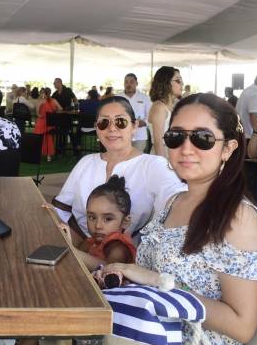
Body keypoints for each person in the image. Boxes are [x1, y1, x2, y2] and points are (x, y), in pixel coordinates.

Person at [1, 93, 257, 345]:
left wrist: (159, 282)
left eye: (202, 138)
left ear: (228, 147)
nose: (186, 148)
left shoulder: (237, 219)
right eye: (176, 136)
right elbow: (136, 272)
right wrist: (94, 261)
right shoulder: (174, 203)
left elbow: (242, 326)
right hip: (146, 342)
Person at [0, 176, 137, 345]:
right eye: (92, 217)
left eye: (108, 218)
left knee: (42, 323)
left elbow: (107, 268)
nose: (98, 225)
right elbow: (78, 246)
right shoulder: (96, 239)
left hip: (101, 314)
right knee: (37, 305)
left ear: (126, 221)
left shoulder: (117, 244)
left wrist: (70, 249)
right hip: (83, 298)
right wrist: (55, 220)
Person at [53, 96, 185, 244]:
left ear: (134, 126)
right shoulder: (86, 163)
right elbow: (61, 210)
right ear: (96, 128)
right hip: (79, 249)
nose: (112, 128)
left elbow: (179, 203)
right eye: (104, 122)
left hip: (129, 260)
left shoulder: (154, 165)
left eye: (120, 122)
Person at [148, 66, 183, 157]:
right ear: (166, 83)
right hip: (163, 154)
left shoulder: (173, 106)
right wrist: (163, 167)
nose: (182, 84)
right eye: (178, 80)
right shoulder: (159, 107)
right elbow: (158, 142)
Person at [119, 73, 151, 152]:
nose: (128, 84)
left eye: (131, 82)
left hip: (139, 136)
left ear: (136, 83)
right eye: (126, 82)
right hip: (121, 135)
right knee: (122, 159)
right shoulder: (118, 97)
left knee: (137, 160)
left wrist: (144, 122)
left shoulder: (144, 98)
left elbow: (150, 116)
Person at [32, 87, 62, 161]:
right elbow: (60, 109)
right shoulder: (54, 100)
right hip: (50, 123)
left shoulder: (40, 101)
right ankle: (49, 156)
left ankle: (37, 154)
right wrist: (54, 111)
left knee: (38, 138)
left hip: (41, 122)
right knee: (49, 139)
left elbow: (38, 114)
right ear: (50, 93)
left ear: (43, 93)